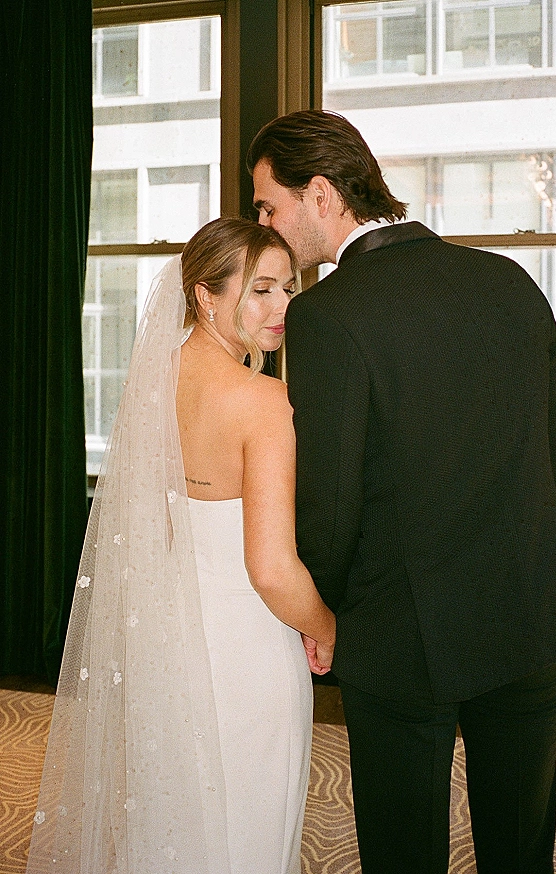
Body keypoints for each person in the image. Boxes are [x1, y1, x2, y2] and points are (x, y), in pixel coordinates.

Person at [247, 109, 556, 874]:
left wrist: (319, 614)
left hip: (401, 637)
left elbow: (329, 506)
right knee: (521, 849)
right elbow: (550, 450)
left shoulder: (327, 315)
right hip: (527, 614)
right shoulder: (510, 280)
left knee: (405, 853)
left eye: (269, 206)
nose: (264, 224)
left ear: (321, 195)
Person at [25, 217, 335, 874]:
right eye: (261, 290)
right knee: (247, 822)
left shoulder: (153, 379)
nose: (284, 306)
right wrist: (328, 627)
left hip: (168, 642)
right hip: (249, 648)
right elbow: (271, 569)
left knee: (174, 820)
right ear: (205, 295)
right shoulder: (265, 402)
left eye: (288, 287)